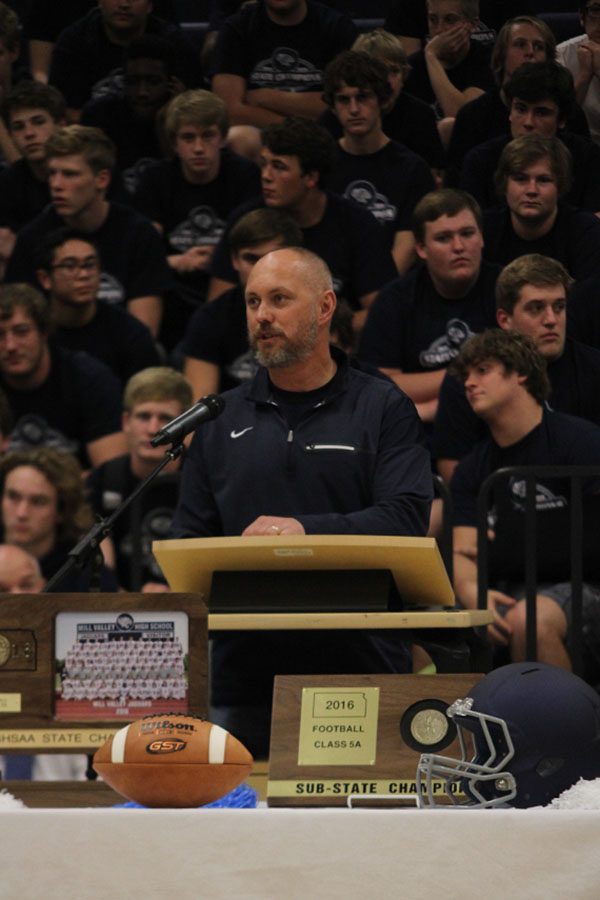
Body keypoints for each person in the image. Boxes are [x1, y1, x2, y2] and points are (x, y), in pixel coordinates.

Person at [171, 246, 432, 754]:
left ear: (325, 307)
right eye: (252, 302)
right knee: (233, 829)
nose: (262, 316)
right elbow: (190, 538)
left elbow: (404, 517)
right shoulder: (219, 418)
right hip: (241, 677)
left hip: (360, 665)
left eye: (279, 299)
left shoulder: (381, 406)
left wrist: (304, 531)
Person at [449, 328, 600, 676]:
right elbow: (462, 551)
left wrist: (508, 548)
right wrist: (472, 591)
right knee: (429, 624)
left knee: (529, 618)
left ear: (520, 373)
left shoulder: (581, 443)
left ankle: (567, 727)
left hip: (587, 589)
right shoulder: (474, 467)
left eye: (482, 370)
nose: (469, 383)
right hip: (509, 591)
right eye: (467, 375)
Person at [207, 116, 398, 322]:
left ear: (310, 177)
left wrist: (316, 332)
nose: (266, 175)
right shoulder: (246, 219)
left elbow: (382, 313)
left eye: (279, 167)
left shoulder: (357, 224)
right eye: (264, 164)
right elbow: (216, 310)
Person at [433, 254, 600, 481]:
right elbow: (455, 473)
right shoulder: (470, 379)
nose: (551, 319)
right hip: (496, 509)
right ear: (504, 320)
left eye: (559, 307)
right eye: (536, 308)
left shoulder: (594, 368)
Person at [5, 125, 173, 339]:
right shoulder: (32, 238)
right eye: (52, 174)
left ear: (101, 180)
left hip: (119, 355)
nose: (56, 184)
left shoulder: (139, 234)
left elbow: (143, 336)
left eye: (70, 174)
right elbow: (18, 329)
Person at [358, 189, 499, 422]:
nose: (458, 246)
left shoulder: (507, 289)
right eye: (444, 238)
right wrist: (473, 377)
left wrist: (444, 387)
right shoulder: (394, 300)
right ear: (421, 249)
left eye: (467, 233)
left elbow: (521, 373)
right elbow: (378, 387)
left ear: (482, 237)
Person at [133, 89, 260, 296]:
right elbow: (143, 250)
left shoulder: (245, 176)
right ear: (174, 143)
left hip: (234, 286)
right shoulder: (154, 179)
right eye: (188, 138)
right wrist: (176, 261)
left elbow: (254, 244)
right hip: (169, 286)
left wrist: (219, 259)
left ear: (222, 138)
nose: (199, 148)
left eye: (208, 135)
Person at [321, 50, 434, 274]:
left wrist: (376, 300)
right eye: (344, 99)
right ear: (333, 107)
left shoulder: (412, 169)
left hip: (389, 294)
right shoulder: (321, 166)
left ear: (382, 100)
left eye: (363, 97)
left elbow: (407, 248)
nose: (354, 109)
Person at [87, 367, 192, 591]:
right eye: (144, 416)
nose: (153, 429)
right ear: (126, 421)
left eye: (165, 418)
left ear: (186, 426)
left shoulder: (202, 478)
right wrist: (119, 596)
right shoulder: (104, 480)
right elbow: (94, 560)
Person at [0, 283, 126, 469]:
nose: (10, 346)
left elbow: (110, 477)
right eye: (0, 335)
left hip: (77, 496)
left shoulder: (90, 380)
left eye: (21, 332)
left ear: (44, 333)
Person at [183, 207, 303, 399]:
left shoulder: (315, 313)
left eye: (270, 259)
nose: (260, 269)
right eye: (251, 258)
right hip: (233, 425)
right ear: (234, 260)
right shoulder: (210, 319)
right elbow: (199, 408)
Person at [459, 61, 600, 212]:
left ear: (562, 120)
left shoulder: (587, 158)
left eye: (541, 112)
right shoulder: (480, 161)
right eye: (521, 109)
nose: (528, 122)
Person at [35, 228, 160, 386]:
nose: (83, 275)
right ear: (45, 278)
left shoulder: (131, 334)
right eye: (70, 266)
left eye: (90, 265)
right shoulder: (32, 333)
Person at [210, 0, 357, 128]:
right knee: (240, 138)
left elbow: (347, 104)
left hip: (324, 137)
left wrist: (265, 98)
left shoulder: (336, 27)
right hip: (260, 137)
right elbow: (229, 112)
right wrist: (292, 128)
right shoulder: (237, 28)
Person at [48, 0, 199, 121]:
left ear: (150, 5)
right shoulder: (73, 43)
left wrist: (179, 108)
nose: (124, 4)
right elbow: (62, 110)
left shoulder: (176, 44)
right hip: (91, 142)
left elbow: (198, 106)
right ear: (99, 2)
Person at [318, 28, 445, 173]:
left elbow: (433, 178)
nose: (388, 81)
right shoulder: (331, 120)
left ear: (404, 75)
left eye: (394, 71)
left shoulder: (420, 115)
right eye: (380, 72)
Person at [446, 15, 558, 178]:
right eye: (520, 45)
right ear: (501, 55)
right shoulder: (472, 116)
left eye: (539, 47)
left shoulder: (565, 112)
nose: (530, 52)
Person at [482, 134, 600, 281]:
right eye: (521, 179)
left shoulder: (586, 232)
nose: (532, 190)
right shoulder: (483, 230)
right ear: (504, 183)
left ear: (560, 186)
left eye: (543, 180)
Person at [0, 446, 118, 591]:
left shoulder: (86, 574)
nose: (21, 513)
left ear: (61, 511)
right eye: (13, 497)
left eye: (38, 502)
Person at [80, 34, 178, 193]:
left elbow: (180, 189)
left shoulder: (187, 123)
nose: (142, 92)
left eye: (153, 82)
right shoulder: (98, 116)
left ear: (171, 84)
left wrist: (166, 122)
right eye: (133, 82)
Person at [0, 82, 66, 249]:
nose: (29, 133)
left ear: (61, 125)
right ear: (10, 136)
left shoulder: (91, 170)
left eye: (38, 122)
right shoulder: (7, 183)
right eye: (18, 127)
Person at [403, 0, 494, 120]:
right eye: (433, 19)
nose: (439, 29)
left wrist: (431, 56)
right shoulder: (411, 67)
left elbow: (461, 117)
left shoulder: (487, 60)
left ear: (472, 24)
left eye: (450, 20)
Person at [558, 1, 600, 145]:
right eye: (596, 9)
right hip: (577, 145)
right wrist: (584, 75)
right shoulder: (562, 54)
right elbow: (559, 119)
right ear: (582, 16)